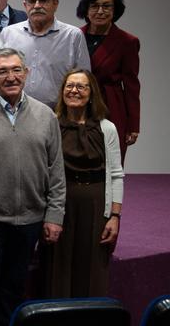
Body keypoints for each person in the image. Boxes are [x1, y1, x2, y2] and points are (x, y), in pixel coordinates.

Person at [0, 48, 65, 326]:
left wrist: (54, 215)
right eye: (2, 71)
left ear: (26, 74)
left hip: (30, 218)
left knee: (14, 288)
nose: (11, 76)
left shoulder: (46, 116)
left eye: (16, 70)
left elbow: (56, 171)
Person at [42, 69, 123, 297]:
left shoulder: (107, 129)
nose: (74, 91)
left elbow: (116, 174)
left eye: (81, 86)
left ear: (91, 93)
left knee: (92, 270)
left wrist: (115, 216)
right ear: (62, 91)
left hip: (96, 206)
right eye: (69, 86)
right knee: (58, 267)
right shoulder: (51, 124)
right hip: (60, 205)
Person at [1, 0, 90, 109]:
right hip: (15, 112)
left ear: (55, 4)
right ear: (25, 5)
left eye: (43, 0)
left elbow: (85, 79)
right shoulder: (8, 33)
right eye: (31, 1)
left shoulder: (73, 36)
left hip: (59, 114)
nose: (37, 5)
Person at [77, 0, 140, 163]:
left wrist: (133, 124)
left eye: (106, 6)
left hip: (111, 106)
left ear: (115, 10)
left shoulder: (127, 41)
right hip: (77, 105)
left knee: (111, 162)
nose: (100, 11)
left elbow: (131, 85)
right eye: (94, 6)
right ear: (86, 9)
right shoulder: (74, 35)